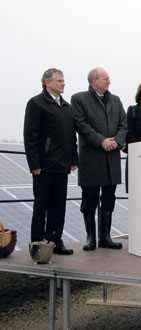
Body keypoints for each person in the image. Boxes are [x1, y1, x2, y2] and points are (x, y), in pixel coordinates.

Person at [71, 68, 127, 251]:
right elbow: (80, 124)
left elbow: (123, 125)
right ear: (94, 81)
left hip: (111, 156)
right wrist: (100, 140)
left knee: (109, 197)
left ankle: (106, 237)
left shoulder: (116, 100)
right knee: (90, 198)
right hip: (91, 157)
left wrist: (116, 141)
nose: (109, 82)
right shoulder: (79, 99)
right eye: (106, 79)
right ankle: (90, 238)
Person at [23, 68, 78, 255]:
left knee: (59, 206)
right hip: (44, 166)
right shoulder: (36, 103)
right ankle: (38, 245)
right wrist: (34, 164)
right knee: (41, 207)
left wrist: (74, 158)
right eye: (59, 81)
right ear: (48, 82)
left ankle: (55, 241)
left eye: (63, 80)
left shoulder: (66, 106)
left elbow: (72, 136)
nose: (63, 83)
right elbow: (30, 135)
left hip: (62, 165)